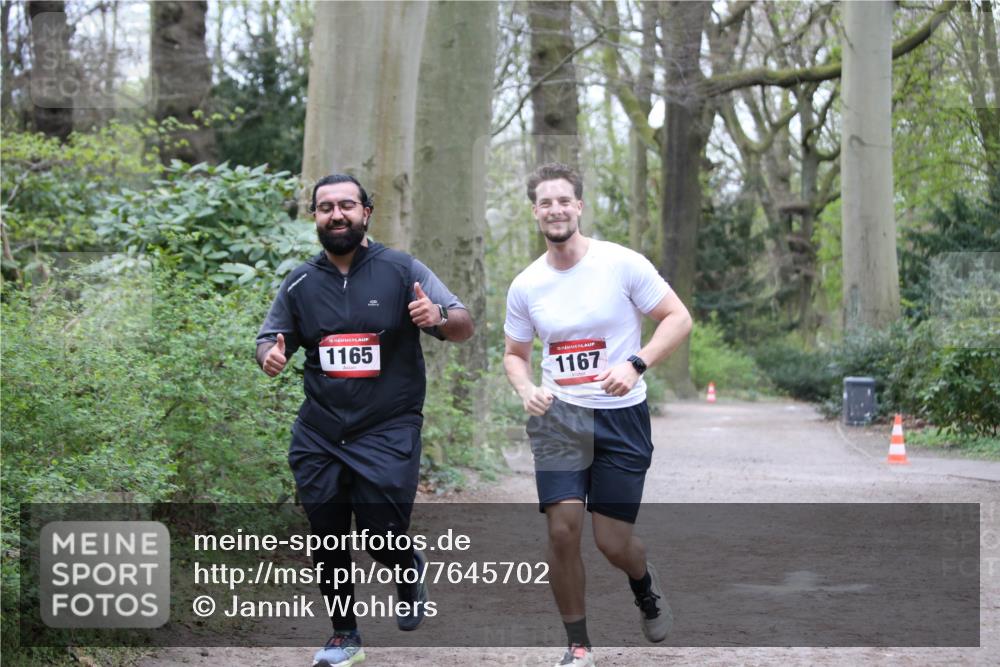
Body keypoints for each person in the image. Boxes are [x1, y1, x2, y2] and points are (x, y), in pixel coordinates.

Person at [256, 173, 474, 667]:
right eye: (326, 207)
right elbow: (269, 338)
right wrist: (269, 355)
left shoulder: (402, 270)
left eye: (346, 206)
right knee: (327, 531)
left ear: (366, 212)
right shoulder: (300, 281)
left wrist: (436, 316)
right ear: (314, 216)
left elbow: (463, 322)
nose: (337, 215)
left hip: (388, 425)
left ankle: (405, 564)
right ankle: (344, 635)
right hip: (320, 430)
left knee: (380, 528)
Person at [502, 163, 692, 667]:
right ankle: (578, 645)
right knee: (563, 530)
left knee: (612, 542)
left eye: (564, 200)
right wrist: (525, 388)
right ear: (535, 212)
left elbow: (678, 317)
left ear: (579, 207)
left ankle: (644, 583)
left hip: (621, 416)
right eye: (545, 202)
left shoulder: (621, 264)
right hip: (559, 417)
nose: (555, 209)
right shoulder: (526, 285)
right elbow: (515, 354)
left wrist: (636, 364)